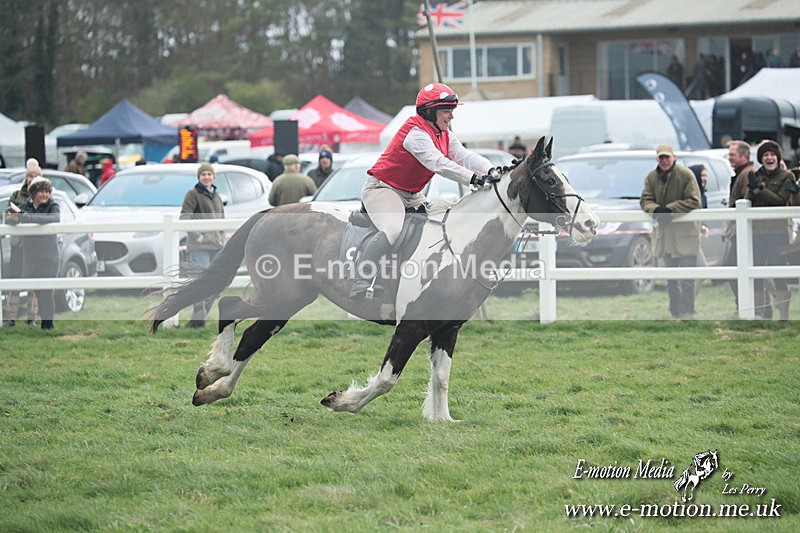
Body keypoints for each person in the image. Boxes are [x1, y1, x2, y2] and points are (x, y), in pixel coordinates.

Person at [350, 82, 498, 300]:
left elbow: (465, 157)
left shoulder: (443, 133)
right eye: (446, 111)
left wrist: (492, 169)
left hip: (412, 194)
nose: (451, 117)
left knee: (438, 227)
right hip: (382, 188)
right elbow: (438, 163)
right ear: (430, 111)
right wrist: (473, 178)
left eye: (452, 111)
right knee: (393, 230)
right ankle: (361, 280)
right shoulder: (415, 133)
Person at [640, 144, 702, 319]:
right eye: (661, 158)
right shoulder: (651, 177)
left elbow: (694, 200)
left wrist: (670, 210)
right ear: (657, 159)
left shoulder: (686, 175)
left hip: (685, 235)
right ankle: (674, 311)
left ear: (674, 157)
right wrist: (656, 210)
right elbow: (645, 200)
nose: (665, 161)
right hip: (665, 235)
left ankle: (687, 312)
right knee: (670, 278)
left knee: (688, 278)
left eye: (667, 157)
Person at [745, 140, 799, 320]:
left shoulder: (787, 176)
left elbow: (780, 201)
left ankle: (783, 315)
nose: (769, 158)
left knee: (778, 272)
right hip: (758, 231)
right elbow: (747, 202)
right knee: (757, 271)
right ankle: (761, 313)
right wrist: (751, 189)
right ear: (761, 159)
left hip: (778, 231)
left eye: (772, 155)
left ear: (778, 158)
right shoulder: (756, 175)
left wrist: (760, 189)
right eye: (765, 155)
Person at [6, 175, 60, 330]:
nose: (45, 195)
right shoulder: (25, 206)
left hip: (49, 256)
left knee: (46, 291)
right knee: (35, 288)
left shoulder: (53, 205)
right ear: (33, 193)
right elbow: (10, 221)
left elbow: (54, 218)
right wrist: (15, 218)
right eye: (41, 191)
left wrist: (24, 217)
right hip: (31, 256)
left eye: (47, 191)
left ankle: (48, 325)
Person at [180, 163, 226, 328]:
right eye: (203, 175)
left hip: (216, 246)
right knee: (201, 281)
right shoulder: (193, 194)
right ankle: (198, 319)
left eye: (209, 174)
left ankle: (197, 319)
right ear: (199, 177)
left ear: (213, 176)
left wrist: (221, 238)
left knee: (215, 284)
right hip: (199, 246)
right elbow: (184, 217)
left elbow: (222, 219)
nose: (206, 177)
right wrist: (198, 235)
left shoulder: (217, 196)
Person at [3, 159, 41, 326]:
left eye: (35, 175)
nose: (32, 178)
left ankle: (31, 317)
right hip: (18, 245)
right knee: (14, 280)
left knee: (34, 281)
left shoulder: (44, 196)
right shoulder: (16, 195)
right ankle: (10, 317)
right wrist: (13, 218)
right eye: (29, 176)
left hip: (36, 247)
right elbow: (6, 217)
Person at [722, 140, 757, 311]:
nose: (729, 158)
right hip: (738, 231)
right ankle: (746, 305)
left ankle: (746, 306)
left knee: (731, 268)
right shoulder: (741, 174)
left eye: (732, 154)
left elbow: (746, 202)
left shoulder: (747, 174)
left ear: (744, 156)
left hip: (743, 232)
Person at [689, 164, 710, 295]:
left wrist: (703, 225)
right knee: (702, 269)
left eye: (706, 176)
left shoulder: (703, 195)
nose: (704, 179)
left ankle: (687, 303)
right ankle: (686, 303)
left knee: (699, 271)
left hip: (697, 237)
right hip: (688, 237)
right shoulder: (690, 194)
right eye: (702, 175)